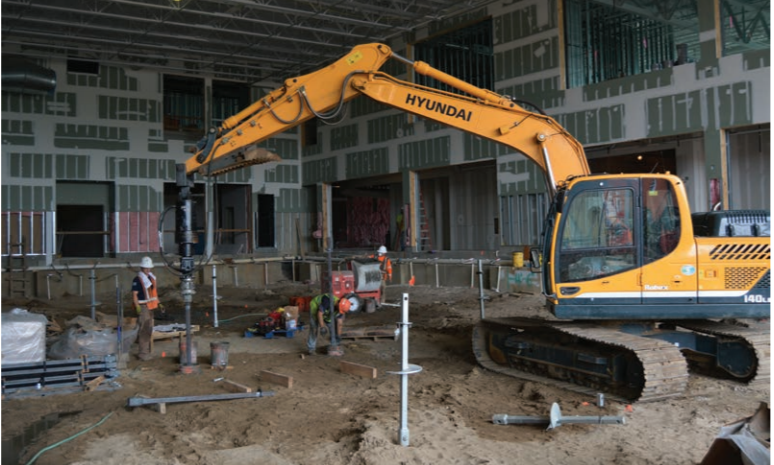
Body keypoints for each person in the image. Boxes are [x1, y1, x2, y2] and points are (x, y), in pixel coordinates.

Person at [132, 256, 161, 361]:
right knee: (144, 330)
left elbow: (153, 293)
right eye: (146, 268)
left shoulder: (151, 278)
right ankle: (143, 353)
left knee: (149, 329)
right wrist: (137, 307)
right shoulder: (138, 280)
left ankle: (147, 351)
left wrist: (158, 302)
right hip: (143, 307)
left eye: (149, 268)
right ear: (142, 268)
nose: (148, 270)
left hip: (150, 306)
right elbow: (134, 294)